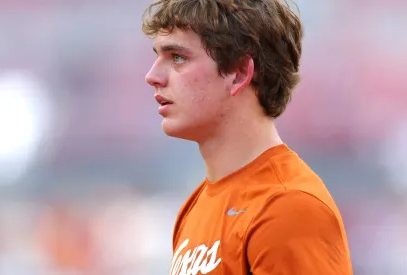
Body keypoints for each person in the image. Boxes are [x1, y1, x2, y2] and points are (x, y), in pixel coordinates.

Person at [142, 0, 353, 274]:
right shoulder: (197, 205)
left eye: (178, 57)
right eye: (158, 56)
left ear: (239, 73)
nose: (152, 76)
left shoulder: (289, 208)